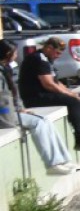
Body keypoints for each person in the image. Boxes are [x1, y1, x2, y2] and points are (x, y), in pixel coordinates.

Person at [0, 40, 75, 174]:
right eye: (15, 52)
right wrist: (9, 112)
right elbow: (4, 99)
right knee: (38, 123)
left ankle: (64, 160)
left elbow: (13, 93)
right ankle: (52, 164)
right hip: (4, 115)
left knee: (45, 120)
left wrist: (19, 108)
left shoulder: (6, 69)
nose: (17, 55)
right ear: (7, 54)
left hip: (11, 111)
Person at [19, 37, 80, 151]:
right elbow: (48, 84)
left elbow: (56, 82)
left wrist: (71, 92)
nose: (58, 56)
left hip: (44, 94)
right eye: (57, 52)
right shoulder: (38, 59)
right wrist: (70, 96)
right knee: (72, 101)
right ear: (48, 48)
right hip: (34, 97)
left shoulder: (46, 59)